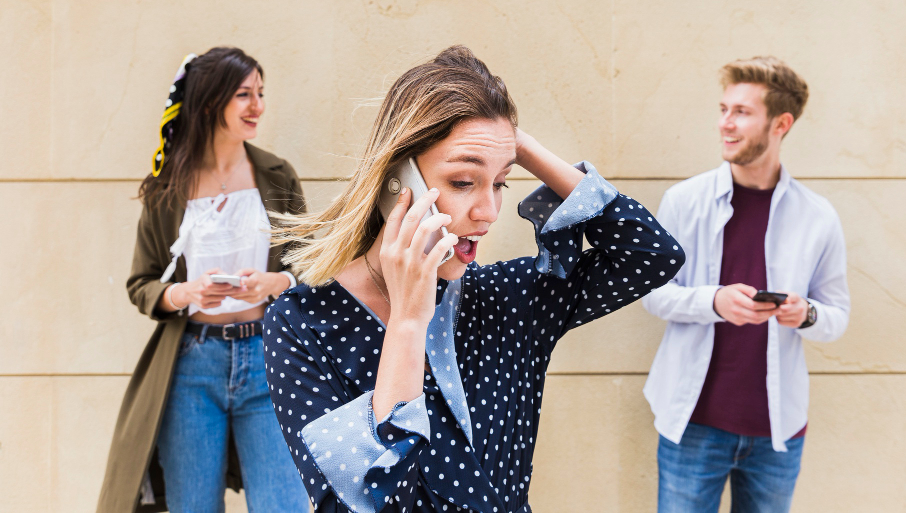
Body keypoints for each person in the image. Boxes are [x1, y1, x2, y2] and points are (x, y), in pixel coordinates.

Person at [263, 45, 685, 513]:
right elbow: (359, 501)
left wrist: (513, 144)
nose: (488, 212)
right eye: (464, 182)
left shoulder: (505, 298)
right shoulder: (301, 322)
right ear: (397, 181)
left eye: (501, 182)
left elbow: (651, 254)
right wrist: (407, 323)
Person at [97, 47, 309, 512]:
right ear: (211, 102)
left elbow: (309, 267)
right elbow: (142, 282)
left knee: (285, 505)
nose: (258, 105)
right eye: (243, 94)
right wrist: (186, 293)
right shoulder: (167, 186)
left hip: (266, 360)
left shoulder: (276, 175)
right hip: (192, 365)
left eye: (260, 93)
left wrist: (274, 284)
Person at [642, 56, 850, 512]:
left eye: (742, 112)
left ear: (781, 123)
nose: (726, 124)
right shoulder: (684, 201)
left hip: (778, 432)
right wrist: (713, 300)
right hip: (692, 425)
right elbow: (653, 295)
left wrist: (806, 313)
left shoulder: (818, 217)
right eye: (723, 109)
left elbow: (836, 314)